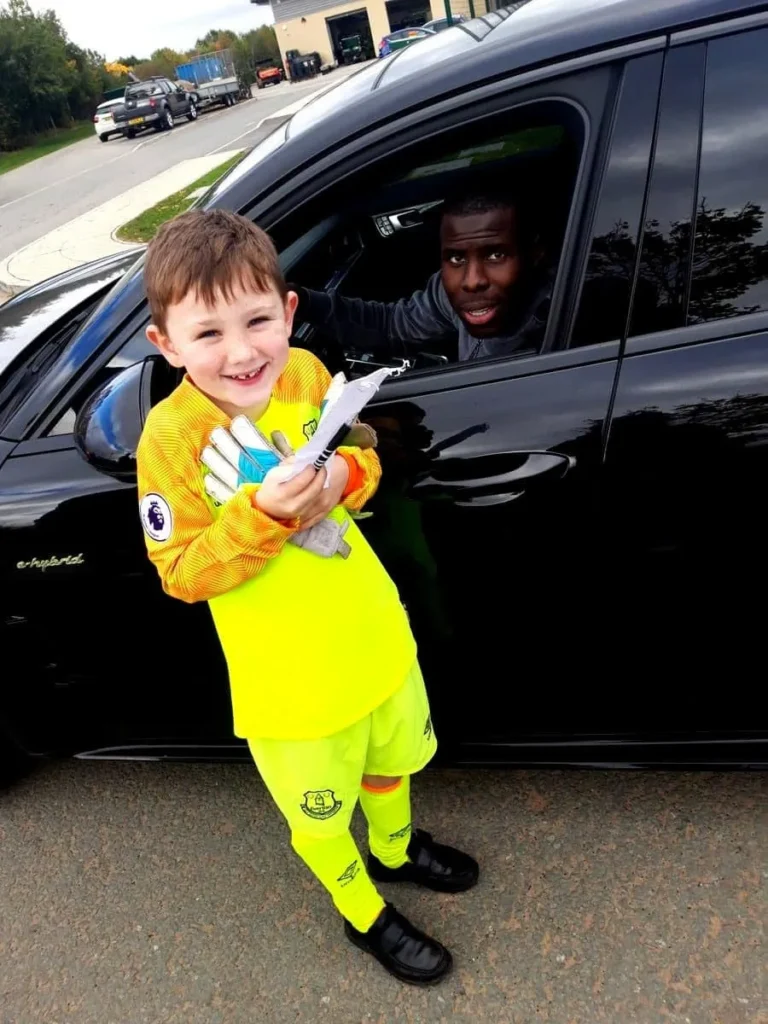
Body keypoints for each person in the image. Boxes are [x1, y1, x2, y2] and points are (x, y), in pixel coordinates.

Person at [135, 209, 478, 986]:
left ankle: (395, 850)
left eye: (258, 320)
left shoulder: (307, 375)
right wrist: (262, 517)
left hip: (374, 639)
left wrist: (338, 482)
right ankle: (363, 911)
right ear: (166, 344)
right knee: (320, 815)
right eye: (209, 333)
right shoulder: (170, 440)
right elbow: (181, 573)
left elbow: (366, 463)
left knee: (391, 765)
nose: (243, 350)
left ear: (288, 313)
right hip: (291, 689)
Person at [295, 192, 554, 363]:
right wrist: (303, 301)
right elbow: (394, 325)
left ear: (535, 255)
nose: (472, 280)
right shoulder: (453, 294)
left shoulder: (565, 316)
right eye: (456, 258)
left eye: (495, 255)